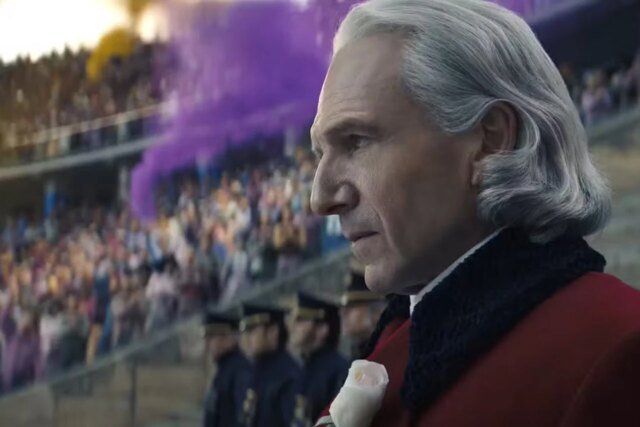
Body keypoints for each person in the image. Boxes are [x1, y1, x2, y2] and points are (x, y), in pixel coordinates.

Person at [310, 0, 640, 425]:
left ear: (490, 140)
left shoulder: (616, 352)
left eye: (356, 141)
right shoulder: (400, 341)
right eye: (319, 152)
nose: (321, 198)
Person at [288, 292, 348, 427]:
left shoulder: (337, 371)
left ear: (322, 329)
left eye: (301, 320)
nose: (292, 327)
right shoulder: (306, 367)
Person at [239, 304, 300, 427]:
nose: (247, 338)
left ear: (273, 332)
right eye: (246, 332)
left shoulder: (287, 375)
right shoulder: (256, 370)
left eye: (252, 331)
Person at [202, 310, 250, 427]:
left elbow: (243, 418)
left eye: (212, 337)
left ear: (229, 337)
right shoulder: (224, 369)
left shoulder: (240, 371)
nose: (207, 344)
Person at [339, 261, 387, 361]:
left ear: (378, 311)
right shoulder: (359, 352)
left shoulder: (391, 349)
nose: (342, 312)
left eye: (352, 306)